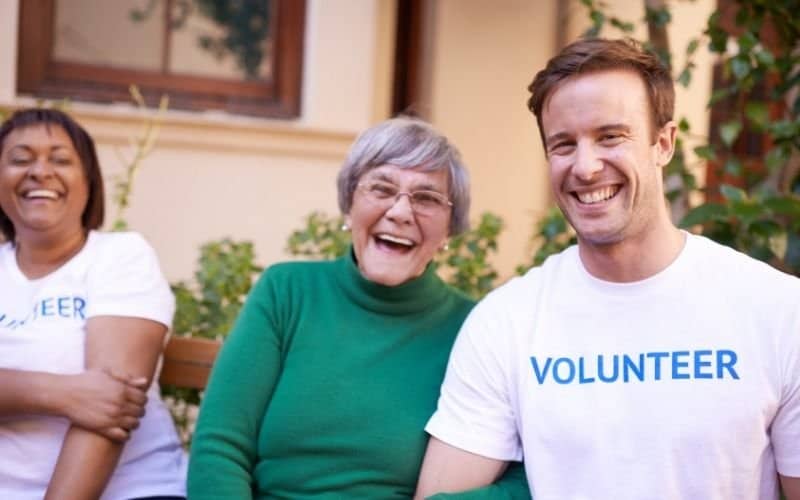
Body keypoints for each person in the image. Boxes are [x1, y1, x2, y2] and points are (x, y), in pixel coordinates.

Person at [414, 38, 800, 500]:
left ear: (663, 143)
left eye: (610, 137)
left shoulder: (777, 310)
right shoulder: (506, 323)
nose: (586, 166)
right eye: (563, 144)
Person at [188, 117, 529, 499]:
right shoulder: (286, 293)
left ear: (450, 229)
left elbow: (524, 480)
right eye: (381, 188)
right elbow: (219, 449)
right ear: (349, 204)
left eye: (427, 198)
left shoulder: (478, 327)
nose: (400, 212)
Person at [0, 108, 187, 500]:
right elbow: (93, 399)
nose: (39, 171)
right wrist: (63, 393)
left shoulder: (121, 257)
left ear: (88, 182)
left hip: (132, 492)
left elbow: (110, 409)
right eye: (20, 159)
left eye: (61, 159)